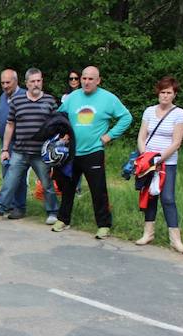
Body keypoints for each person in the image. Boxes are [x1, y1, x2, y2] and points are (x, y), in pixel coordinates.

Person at [52, 66, 132, 239]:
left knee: (98, 189)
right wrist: (63, 134)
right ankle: (63, 219)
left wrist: (110, 136)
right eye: (84, 78)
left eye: (90, 79)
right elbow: (60, 117)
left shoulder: (108, 98)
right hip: (72, 151)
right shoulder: (73, 97)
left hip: (94, 151)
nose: (86, 82)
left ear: (98, 80)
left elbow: (126, 117)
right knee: (68, 187)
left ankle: (103, 225)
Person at [0, 68, 59, 224]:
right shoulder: (18, 101)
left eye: (39, 81)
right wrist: (5, 149)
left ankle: (52, 212)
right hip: (20, 151)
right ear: (26, 83)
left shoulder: (50, 101)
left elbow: (57, 126)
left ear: (42, 81)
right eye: (32, 81)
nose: (36, 84)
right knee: (9, 182)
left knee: (46, 184)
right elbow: (10, 125)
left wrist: (56, 146)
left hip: (41, 153)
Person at [134, 76, 183, 253]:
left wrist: (159, 159)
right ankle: (148, 234)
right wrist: (146, 157)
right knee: (149, 196)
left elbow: (176, 142)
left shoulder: (179, 113)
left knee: (168, 198)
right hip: (147, 162)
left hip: (167, 162)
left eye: (169, 93)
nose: (165, 96)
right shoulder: (149, 111)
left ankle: (176, 240)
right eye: (162, 92)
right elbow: (141, 137)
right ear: (158, 92)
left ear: (174, 95)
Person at [0, 69, 27, 218]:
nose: (5, 86)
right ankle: (8, 203)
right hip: (5, 143)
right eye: (2, 83)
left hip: (20, 142)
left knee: (18, 176)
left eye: (8, 82)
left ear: (16, 81)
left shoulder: (24, 96)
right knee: (7, 174)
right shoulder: (3, 96)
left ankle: (19, 207)